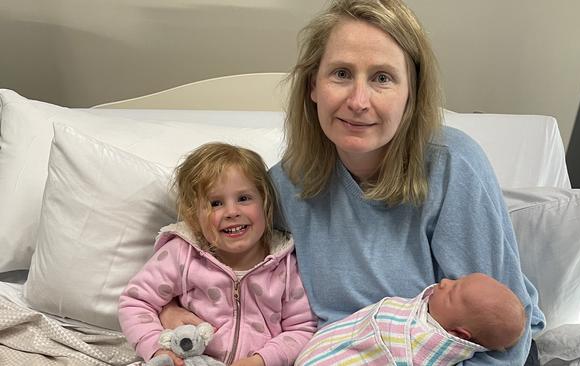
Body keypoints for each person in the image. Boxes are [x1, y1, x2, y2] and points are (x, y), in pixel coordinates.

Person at [160, 0, 545, 364]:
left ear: (410, 94)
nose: (358, 101)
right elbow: (228, 270)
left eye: (382, 78)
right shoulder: (284, 187)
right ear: (313, 86)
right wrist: (171, 306)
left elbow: (504, 340)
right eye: (341, 74)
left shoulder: (453, 167)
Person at [118, 143, 317, 366]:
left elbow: (302, 329)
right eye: (216, 203)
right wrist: (156, 349)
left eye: (244, 198)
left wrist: (261, 361)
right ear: (194, 216)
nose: (232, 212)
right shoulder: (182, 255)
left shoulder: (285, 267)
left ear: (265, 202)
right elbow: (135, 303)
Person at [295, 273, 526, 365]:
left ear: (459, 334)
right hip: (325, 346)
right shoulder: (429, 311)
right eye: (457, 280)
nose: (444, 282)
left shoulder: (422, 344)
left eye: (452, 293)